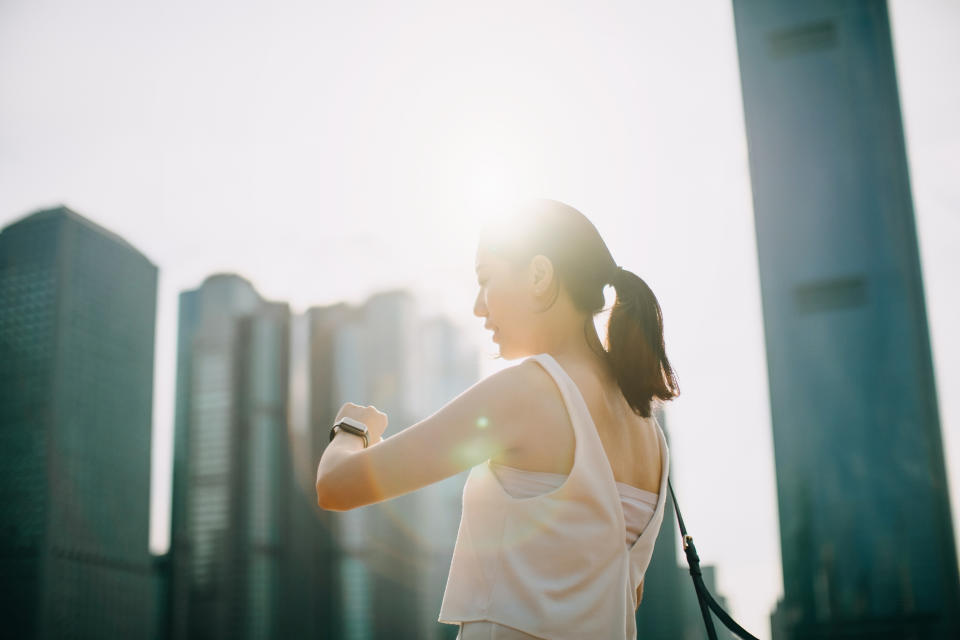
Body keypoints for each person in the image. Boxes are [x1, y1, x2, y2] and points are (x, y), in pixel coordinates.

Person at [316, 198, 679, 639]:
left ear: (540, 276)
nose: (477, 307)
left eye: (485, 279)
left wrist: (352, 429)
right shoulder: (649, 433)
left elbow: (337, 486)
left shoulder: (527, 391)